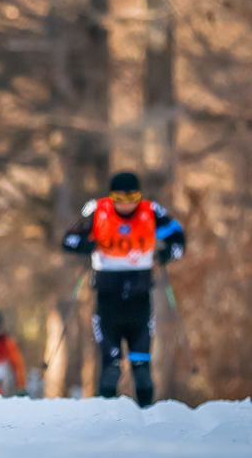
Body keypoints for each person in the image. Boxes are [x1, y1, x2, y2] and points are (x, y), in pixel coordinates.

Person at [61, 171, 185, 408]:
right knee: (110, 367)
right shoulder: (98, 211)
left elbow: (179, 239)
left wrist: (167, 253)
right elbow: (68, 240)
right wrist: (85, 246)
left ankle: (147, 418)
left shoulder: (151, 212)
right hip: (108, 300)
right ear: (112, 197)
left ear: (140, 197)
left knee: (141, 368)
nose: (127, 205)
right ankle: (107, 418)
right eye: (120, 199)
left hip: (139, 299)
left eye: (133, 198)